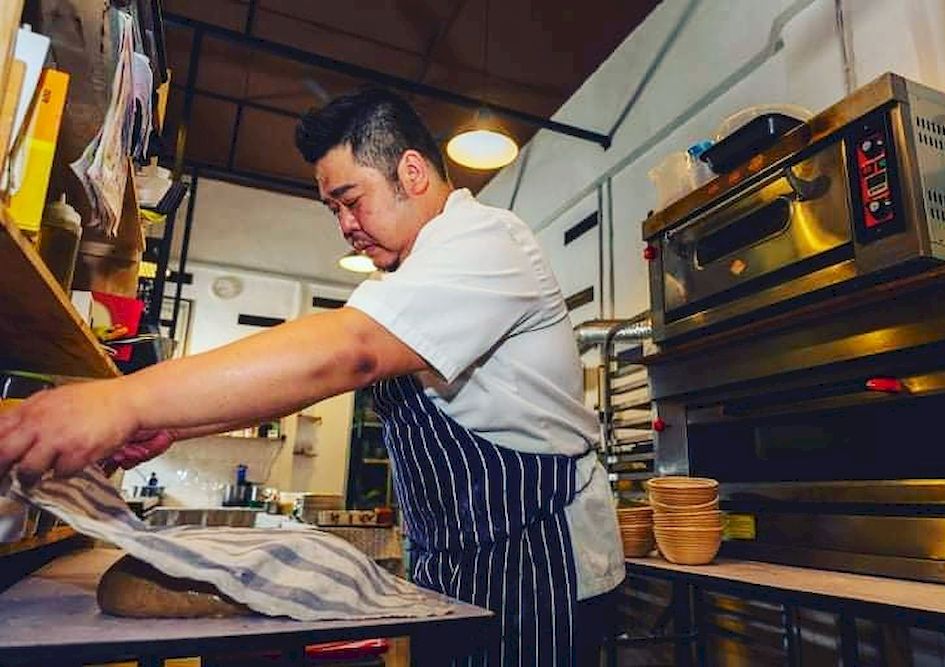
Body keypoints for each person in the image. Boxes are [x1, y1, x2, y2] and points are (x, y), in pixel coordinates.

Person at [0, 88, 624, 665]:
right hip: (455, 563)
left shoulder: (486, 240)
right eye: (334, 210)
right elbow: (305, 378)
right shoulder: (403, 281)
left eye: (351, 201)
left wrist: (123, 402)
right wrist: (170, 425)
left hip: (537, 562)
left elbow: (349, 352)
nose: (345, 225)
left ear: (411, 172)